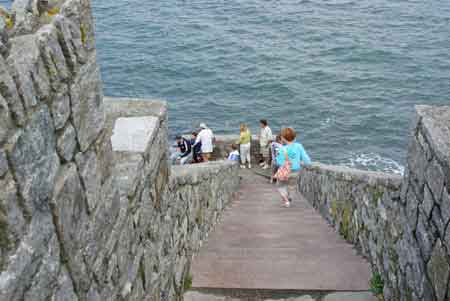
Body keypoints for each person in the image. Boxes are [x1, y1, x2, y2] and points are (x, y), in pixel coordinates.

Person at [276, 127, 311, 208]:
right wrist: (308, 164)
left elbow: (278, 162)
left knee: (280, 185)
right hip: (295, 172)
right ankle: (290, 198)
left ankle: (286, 200)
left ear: (283, 138)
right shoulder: (299, 146)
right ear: (294, 137)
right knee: (292, 186)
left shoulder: (282, 149)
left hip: (285, 172)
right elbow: (306, 159)